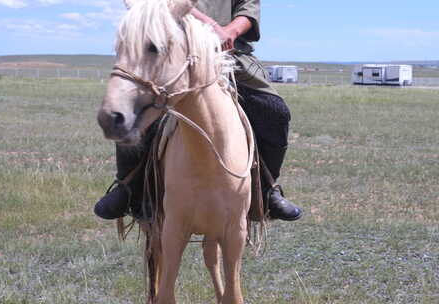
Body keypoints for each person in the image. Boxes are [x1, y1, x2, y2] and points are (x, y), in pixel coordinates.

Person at [94, 0, 303, 222]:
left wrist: (229, 32)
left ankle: (266, 189)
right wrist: (209, 24)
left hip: (231, 55)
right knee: (139, 110)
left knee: (274, 112)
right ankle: (128, 187)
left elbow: (247, 9)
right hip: (176, 53)